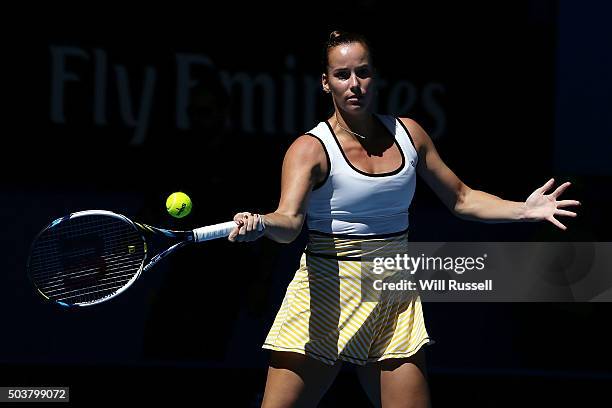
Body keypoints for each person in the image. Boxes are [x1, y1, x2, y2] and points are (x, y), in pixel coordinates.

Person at [228, 30, 580, 408]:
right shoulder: (309, 149)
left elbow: (461, 198)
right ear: (325, 82)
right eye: (342, 75)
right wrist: (262, 223)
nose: (354, 85)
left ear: (375, 76)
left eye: (362, 72)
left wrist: (523, 209)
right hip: (324, 297)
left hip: (390, 293)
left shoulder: (410, 134)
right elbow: (290, 221)